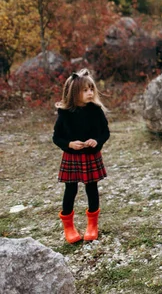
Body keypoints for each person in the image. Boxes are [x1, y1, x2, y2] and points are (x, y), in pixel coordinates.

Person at [53, 69, 110, 244]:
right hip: (72, 157)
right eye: (85, 90)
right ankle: (68, 227)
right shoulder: (65, 113)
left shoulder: (96, 111)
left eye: (91, 89)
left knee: (91, 188)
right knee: (70, 189)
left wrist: (96, 141)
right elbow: (57, 137)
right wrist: (69, 144)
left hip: (91, 155)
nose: (90, 93)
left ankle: (92, 225)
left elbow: (105, 133)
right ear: (74, 93)